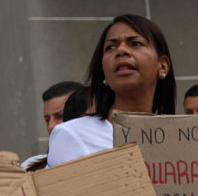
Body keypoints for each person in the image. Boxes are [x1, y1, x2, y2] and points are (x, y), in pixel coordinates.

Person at [47, 14, 175, 167]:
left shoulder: (180, 141)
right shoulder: (72, 135)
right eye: (111, 47)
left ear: (163, 66)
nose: (121, 50)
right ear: (104, 73)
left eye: (135, 43)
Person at [20, 81, 84, 170]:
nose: (51, 126)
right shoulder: (29, 165)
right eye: (47, 120)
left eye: (59, 116)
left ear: (84, 115)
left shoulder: (105, 154)